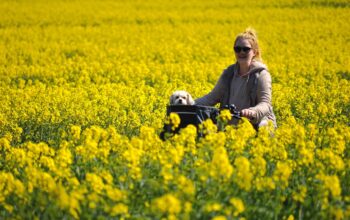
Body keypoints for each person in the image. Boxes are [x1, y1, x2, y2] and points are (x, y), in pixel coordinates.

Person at [195, 28, 277, 129]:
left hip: (256, 122)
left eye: (246, 49)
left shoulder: (261, 74)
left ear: (254, 52)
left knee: (263, 127)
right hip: (232, 124)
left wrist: (252, 111)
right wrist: (189, 104)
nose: (241, 52)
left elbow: (265, 104)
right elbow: (211, 98)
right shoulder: (229, 73)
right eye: (237, 49)